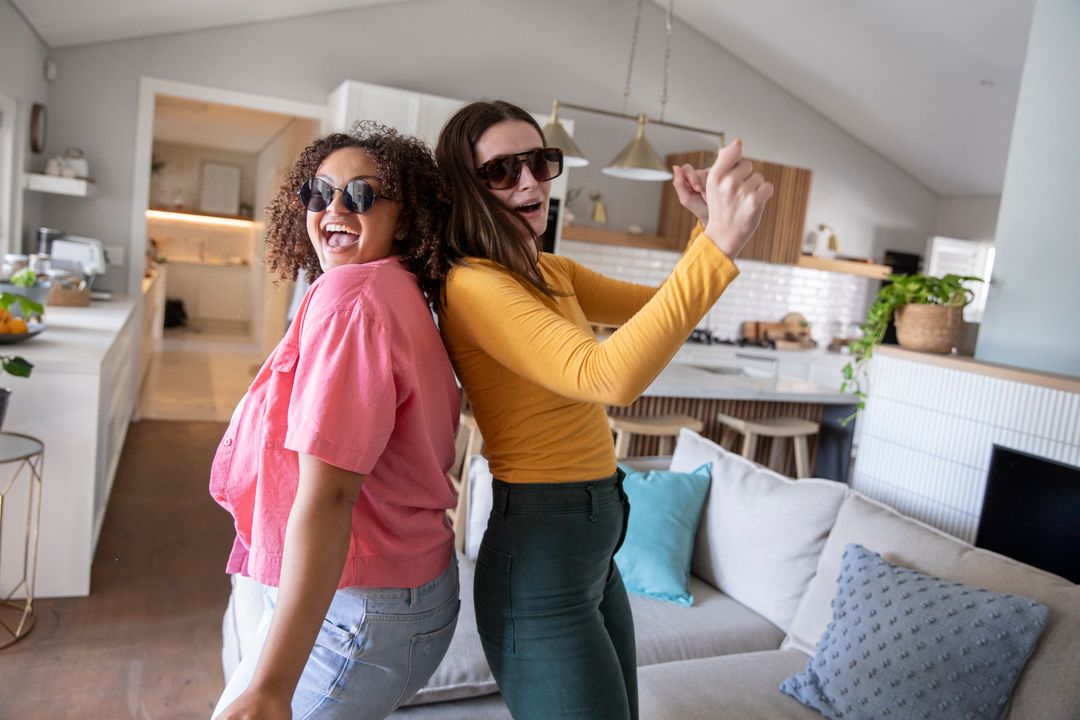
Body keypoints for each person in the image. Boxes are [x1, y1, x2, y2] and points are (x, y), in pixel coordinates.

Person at [428, 100, 772, 720]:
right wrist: (720, 238)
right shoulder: (473, 285)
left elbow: (663, 308)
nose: (530, 180)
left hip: (591, 548)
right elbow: (608, 377)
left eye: (539, 161)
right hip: (541, 559)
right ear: (463, 189)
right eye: (502, 170)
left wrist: (702, 228)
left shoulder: (546, 269)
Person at [209, 122, 461, 720]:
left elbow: (329, 499)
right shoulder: (396, 288)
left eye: (363, 194)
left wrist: (272, 687)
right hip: (403, 591)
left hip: (357, 609)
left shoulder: (354, 300)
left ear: (407, 214)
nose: (335, 209)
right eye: (319, 194)